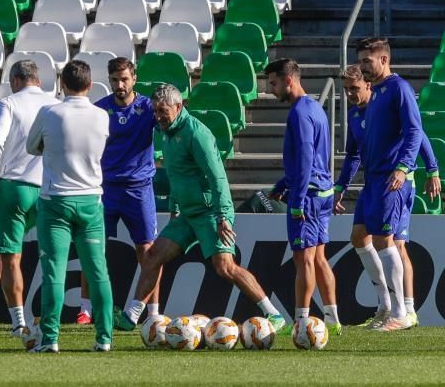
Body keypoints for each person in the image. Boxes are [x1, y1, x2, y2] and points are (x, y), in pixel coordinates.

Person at [115, 84, 288, 333]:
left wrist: (223, 216)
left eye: (163, 111)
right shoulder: (167, 131)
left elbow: (217, 177)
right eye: (155, 111)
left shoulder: (197, 134)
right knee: (153, 256)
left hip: (209, 212)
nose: (158, 117)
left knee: (225, 267)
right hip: (187, 214)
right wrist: (175, 207)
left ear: (179, 106)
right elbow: (178, 175)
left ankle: (273, 314)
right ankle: (131, 316)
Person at [335, 65, 440, 328]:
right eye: (346, 89)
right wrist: (341, 187)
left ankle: (406, 309)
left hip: (398, 181)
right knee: (359, 237)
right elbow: (353, 154)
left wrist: (432, 169)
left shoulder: (386, 107)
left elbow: (418, 134)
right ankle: (384, 305)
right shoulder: (355, 114)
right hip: (373, 182)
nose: (350, 93)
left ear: (368, 85)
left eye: (354, 88)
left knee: (396, 244)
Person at [0, 60, 60, 335]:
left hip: (14, 187)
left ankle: (19, 323)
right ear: (38, 81)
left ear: (15, 80)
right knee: (19, 250)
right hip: (47, 189)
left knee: (10, 256)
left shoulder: (9, 103)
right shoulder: (53, 104)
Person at [26, 60, 113, 353]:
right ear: (90, 85)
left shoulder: (49, 112)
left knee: (54, 272)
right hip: (90, 200)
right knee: (98, 271)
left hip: (55, 202)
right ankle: (104, 338)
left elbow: (31, 147)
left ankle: (50, 338)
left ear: (63, 84)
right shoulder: (102, 116)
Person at [76, 58, 160, 325]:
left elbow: (172, 128)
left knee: (148, 251)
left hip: (139, 189)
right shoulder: (99, 110)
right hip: (106, 189)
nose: (119, 85)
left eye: (124, 79)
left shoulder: (148, 108)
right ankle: (85, 310)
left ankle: (153, 313)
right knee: (93, 249)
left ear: (134, 78)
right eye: (114, 80)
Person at [266, 59, 342, 336]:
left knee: (304, 259)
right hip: (322, 191)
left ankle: (302, 321)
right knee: (319, 257)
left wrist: (295, 198)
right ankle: (333, 319)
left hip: (307, 195)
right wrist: (282, 183)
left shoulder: (299, 112)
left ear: (288, 80)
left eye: (273, 83)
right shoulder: (314, 108)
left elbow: (307, 156)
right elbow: (309, 158)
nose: (271, 90)